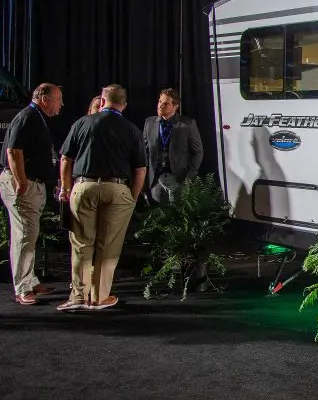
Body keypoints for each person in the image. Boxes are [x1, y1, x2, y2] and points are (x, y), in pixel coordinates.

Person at [56, 84, 146, 311]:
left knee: (81, 244)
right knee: (108, 246)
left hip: (83, 186)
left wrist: (66, 189)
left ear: (103, 100)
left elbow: (66, 159)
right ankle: (99, 297)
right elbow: (140, 170)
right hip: (117, 189)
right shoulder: (131, 129)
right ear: (123, 105)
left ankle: (78, 297)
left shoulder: (82, 123)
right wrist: (132, 198)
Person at [0, 83, 62, 305]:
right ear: (44, 99)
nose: (61, 104)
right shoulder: (28, 117)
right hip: (22, 186)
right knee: (24, 235)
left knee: (30, 234)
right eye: (58, 99)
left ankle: (31, 280)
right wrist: (21, 182)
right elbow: (13, 150)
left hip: (33, 185)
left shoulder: (36, 117)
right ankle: (22, 287)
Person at [143, 88, 203, 204]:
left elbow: (198, 152)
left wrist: (189, 177)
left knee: (177, 215)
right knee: (158, 216)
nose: (160, 105)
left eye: (165, 103)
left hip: (178, 179)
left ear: (175, 106)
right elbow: (144, 151)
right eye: (160, 101)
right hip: (155, 179)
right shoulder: (149, 122)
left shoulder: (187, 124)